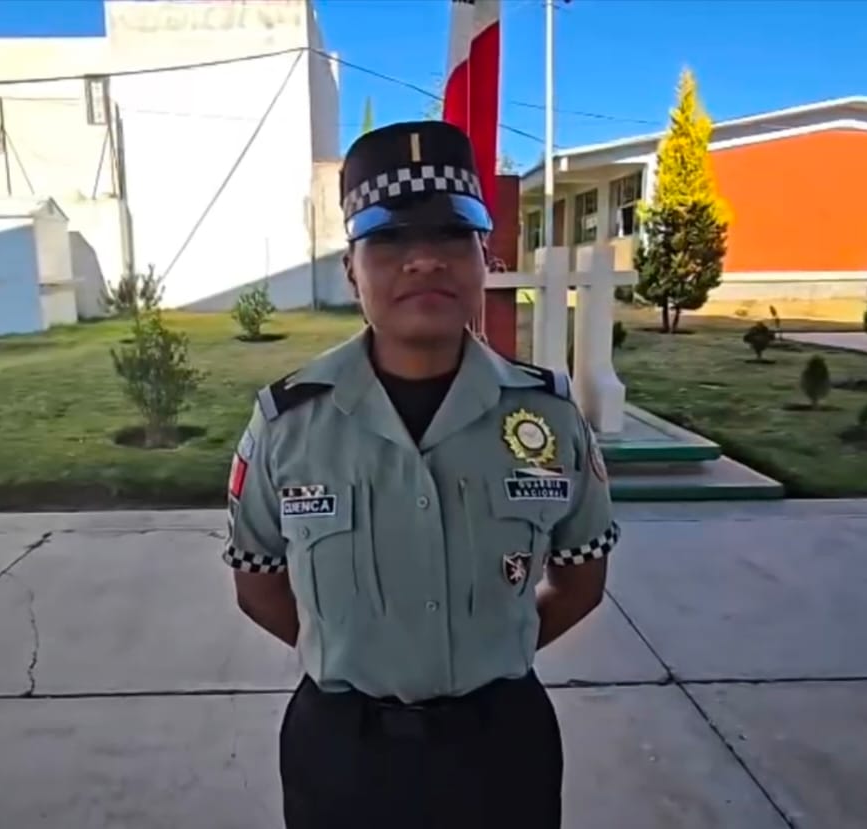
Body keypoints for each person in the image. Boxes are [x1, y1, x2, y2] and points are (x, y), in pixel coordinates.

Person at [222, 119, 618, 829]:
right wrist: (361, 654)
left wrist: (483, 652)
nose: (423, 260)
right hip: (342, 752)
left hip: (501, 750)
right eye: (391, 240)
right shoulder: (288, 424)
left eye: (448, 236)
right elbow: (258, 583)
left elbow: (582, 579)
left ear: (483, 258)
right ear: (352, 270)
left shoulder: (548, 419)